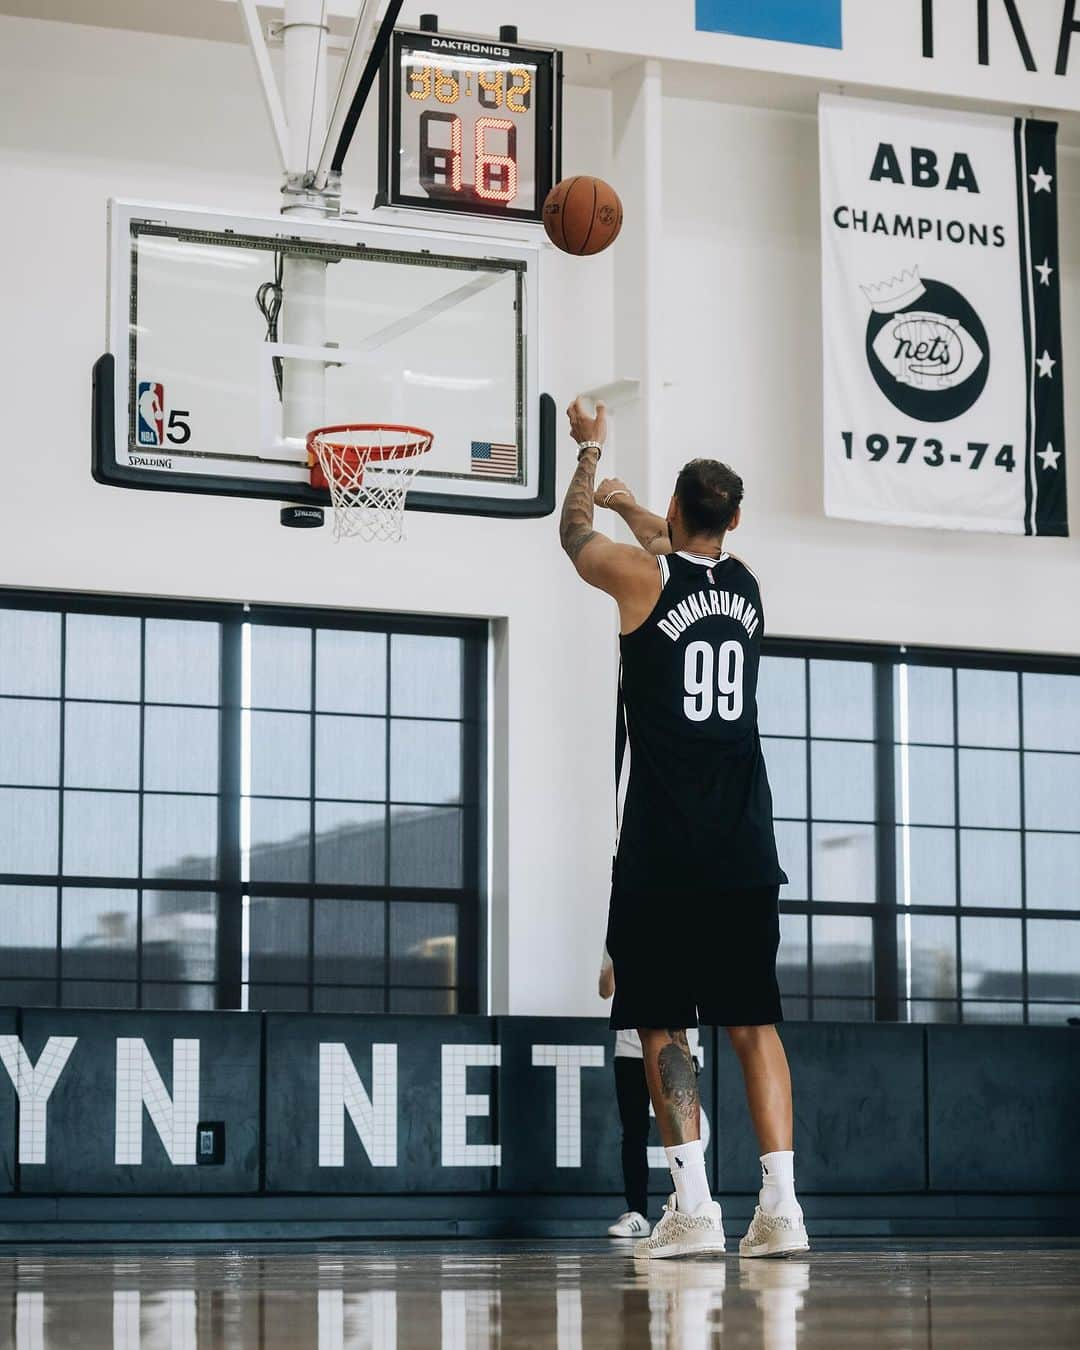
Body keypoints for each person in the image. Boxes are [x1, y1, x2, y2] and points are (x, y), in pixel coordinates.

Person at [560, 397, 808, 1260]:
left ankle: (694, 1207)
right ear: (733, 522)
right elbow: (680, 550)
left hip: (665, 854)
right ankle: (781, 1209)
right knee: (755, 1026)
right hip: (745, 847)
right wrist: (649, 510)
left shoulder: (639, 579)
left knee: (662, 1024)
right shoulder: (744, 587)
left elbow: (573, 536)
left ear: (674, 510)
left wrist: (590, 457)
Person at [599, 946, 701, 1239]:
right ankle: (637, 1213)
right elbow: (605, 990)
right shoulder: (617, 934)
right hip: (630, 1048)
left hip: (676, 1045)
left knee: (681, 1129)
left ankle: (688, 1208)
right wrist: (621, 959)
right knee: (633, 1130)